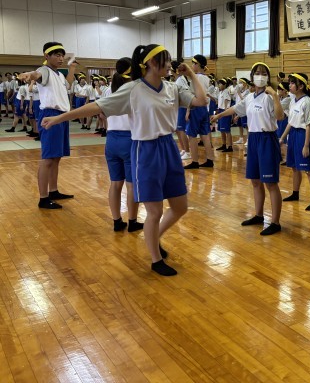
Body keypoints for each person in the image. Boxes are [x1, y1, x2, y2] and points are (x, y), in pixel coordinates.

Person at [42, 44, 207, 276]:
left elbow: (201, 101)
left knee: (180, 207)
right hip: (145, 150)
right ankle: (156, 259)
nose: (170, 64)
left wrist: (191, 74)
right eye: (166, 59)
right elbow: (96, 106)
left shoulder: (172, 87)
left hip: (169, 147)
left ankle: (154, 236)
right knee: (155, 211)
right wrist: (60, 118)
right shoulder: (133, 89)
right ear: (151, 63)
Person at [212, 62, 285, 235]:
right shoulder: (250, 97)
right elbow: (235, 108)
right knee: (255, 181)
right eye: (257, 73)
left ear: (268, 77)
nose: (260, 76)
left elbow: (280, 116)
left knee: (271, 183)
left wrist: (275, 96)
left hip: (267, 139)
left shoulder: (270, 97)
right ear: (252, 77)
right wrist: (219, 115)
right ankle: (259, 215)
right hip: (253, 139)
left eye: (264, 73)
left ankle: (275, 222)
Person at [17, 42, 78, 209]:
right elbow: (36, 74)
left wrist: (72, 68)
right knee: (48, 158)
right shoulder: (44, 70)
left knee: (56, 157)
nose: (60, 58)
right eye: (57, 55)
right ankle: (43, 198)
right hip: (50, 115)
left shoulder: (58, 74)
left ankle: (53, 191)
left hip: (62, 116)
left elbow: (68, 84)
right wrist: (29, 74)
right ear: (47, 56)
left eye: (62, 55)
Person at [102, 57, 142, 232]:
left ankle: (117, 221)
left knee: (115, 183)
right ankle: (132, 221)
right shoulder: (134, 91)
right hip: (129, 139)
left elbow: (102, 114)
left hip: (111, 139)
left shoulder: (107, 90)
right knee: (131, 184)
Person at [279, 73, 310, 211]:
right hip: (293, 134)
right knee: (294, 167)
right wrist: (282, 137)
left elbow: (309, 125)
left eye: (292, 83)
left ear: (301, 86)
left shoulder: (307, 102)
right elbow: (290, 122)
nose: (289, 85)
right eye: (290, 82)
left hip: (304, 135)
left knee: (309, 170)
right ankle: (295, 193)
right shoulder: (293, 101)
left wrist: (306, 145)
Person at [183, 55, 214, 169]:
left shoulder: (195, 78)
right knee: (205, 135)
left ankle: (195, 161)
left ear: (198, 65)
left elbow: (193, 95)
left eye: (193, 63)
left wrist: (188, 110)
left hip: (196, 107)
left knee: (191, 135)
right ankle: (210, 160)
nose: (192, 66)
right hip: (204, 108)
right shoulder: (206, 78)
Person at [173, 61, 191, 160]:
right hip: (178, 107)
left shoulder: (180, 80)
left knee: (181, 129)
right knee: (178, 129)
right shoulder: (177, 80)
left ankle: (187, 152)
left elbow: (187, 94)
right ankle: (184, 149)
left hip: (183, 107)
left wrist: (188, 109)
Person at [276, 83, 291, 162]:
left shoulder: (288, 99)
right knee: (278, 138)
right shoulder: (282, 98)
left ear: (285, 91)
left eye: (280, 89)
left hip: (284, 120)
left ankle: (287, 158)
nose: (278, 91)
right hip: (280, 120)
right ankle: (280, 157)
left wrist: (276, 98)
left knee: (282, 140)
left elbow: (278, 108)